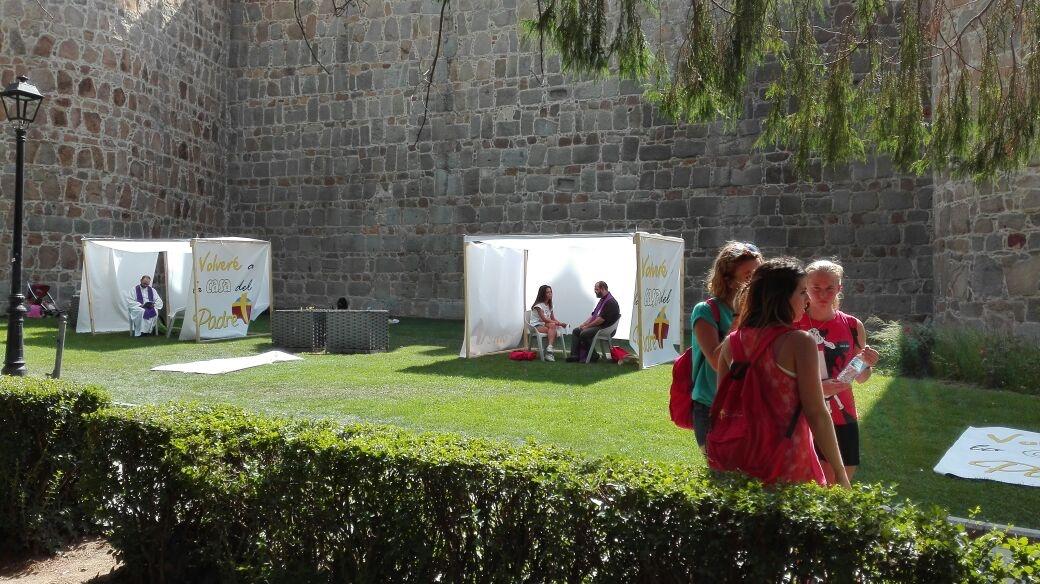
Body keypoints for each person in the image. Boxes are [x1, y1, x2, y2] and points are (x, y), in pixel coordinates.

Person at [714, 258, 850, 487]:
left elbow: (723, 402)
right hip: (786, 458)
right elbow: (817, 413)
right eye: (802, 292)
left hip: (739, 454)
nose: (807, 300)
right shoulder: (799, 342)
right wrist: (840, 472)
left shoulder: (732, 343)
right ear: (782, 296)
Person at [795, 259, 880, 483]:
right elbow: (781, 374)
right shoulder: (794, 323)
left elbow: (862, 378)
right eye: (816, 288)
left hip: (844, 414)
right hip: (806, 413)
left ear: (839, 288)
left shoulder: (852, 325)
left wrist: (866, 363)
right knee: (822, 479)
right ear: (805, 288)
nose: (823, 295)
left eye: (829, 288)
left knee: (845, 477)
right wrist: (819, 389)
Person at [689, 242, 763, 449]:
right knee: (718, 473)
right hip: (712, 405)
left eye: (759, 273)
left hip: (749, 405)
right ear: (729, 281)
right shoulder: (706, 310)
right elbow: (715, 361)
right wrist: (739, 316)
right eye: (749, 275)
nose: (756, 281)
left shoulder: (763, 312)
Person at [566, 281, 620, 363]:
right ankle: (575, 355)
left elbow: (600, 320)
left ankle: (594, 355)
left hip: (605, 328)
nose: (595, 291)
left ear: (602, 289)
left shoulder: (610, 302)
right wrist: (584, 324)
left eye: (596, 289)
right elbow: (593, 315)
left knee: (584, 333)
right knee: (576, 330)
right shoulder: (603, 300)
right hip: (600, 325)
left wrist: (587, 327)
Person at [529, 285, 567, 361]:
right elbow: (544, 319)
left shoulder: (550, 305)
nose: (550, 294)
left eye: (550, 292)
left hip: (544, 324)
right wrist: (559, 324)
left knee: (553, 328)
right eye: (547, 292)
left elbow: (552, 318)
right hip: (536, 326)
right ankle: (549, 352)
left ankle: (549, 349)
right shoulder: (538, 306)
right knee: (553, 330)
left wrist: (559, 323)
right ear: (542, 294)